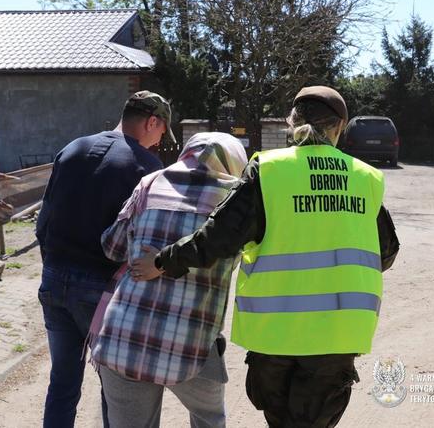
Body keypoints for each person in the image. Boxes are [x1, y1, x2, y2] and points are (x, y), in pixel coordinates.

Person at [132, 86, 400, 427]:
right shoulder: (365, 179)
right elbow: (386, 253)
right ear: (340, 126)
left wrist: (161, 262)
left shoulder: (269, 171)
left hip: (275, 337)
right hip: (336, 337)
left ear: (292, 123)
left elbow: (218, 238)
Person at [35, 90, 175, 428]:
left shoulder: (73, 148)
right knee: (114, 389)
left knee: (63, 382)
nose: (157, 143)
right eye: (159, 134)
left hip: (53, 280)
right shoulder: (147, 168)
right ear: (152, 122)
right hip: (102, 290)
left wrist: (53, 265)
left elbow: (44, 221)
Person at [91, 132, 248, 428]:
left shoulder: (150, 183)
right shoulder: (237, 198)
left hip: (124, 339)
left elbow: (112, 248)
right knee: (210, 420)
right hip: (192, 347)